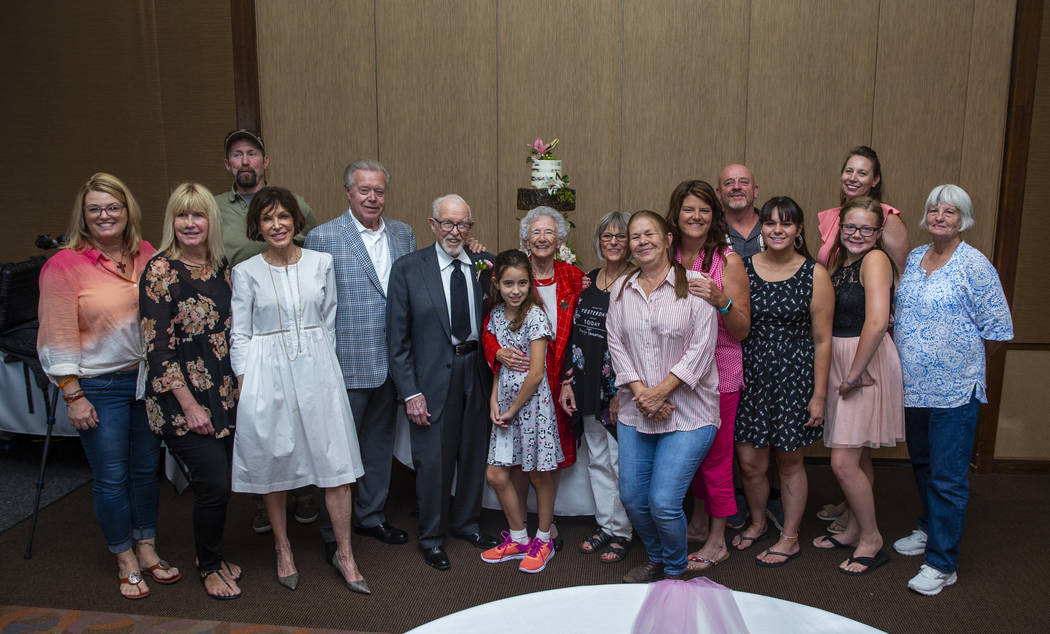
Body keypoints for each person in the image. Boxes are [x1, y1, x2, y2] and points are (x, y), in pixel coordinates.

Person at [37, 172, 177, 599]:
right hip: (98, 387)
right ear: (83, 214)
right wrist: (72, 394)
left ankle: (147, 547)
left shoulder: (147, 254)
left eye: (113, 207)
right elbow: (55, 334)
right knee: (112, 476)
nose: (104, 215)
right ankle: (125, 557)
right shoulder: (63, 265)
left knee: (144, 471)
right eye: (95, 208)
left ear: (127, 211)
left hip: (145, 382)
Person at [230, 187, 369, 594]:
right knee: (276, 461)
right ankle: (282, 546)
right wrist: (245, 383)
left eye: (283, 217)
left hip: (318, 368)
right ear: (257, 226)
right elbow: (240, 333)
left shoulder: (321, 262)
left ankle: (345, 553)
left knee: (335, 462)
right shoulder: (246, 272)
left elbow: (328, 320)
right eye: (267, 218)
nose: (276, 225)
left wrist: (323, 367)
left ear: (296, 220)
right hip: (265, 372)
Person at [892, 184, 1012, 596]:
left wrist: (961, 362)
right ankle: (928, 529)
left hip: (956, 391)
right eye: (934, 210)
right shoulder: (912, 257)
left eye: (950, 211)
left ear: (964, 218)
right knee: (923, 466)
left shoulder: (974, 264)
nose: (940, 216)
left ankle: (943, 564)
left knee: (947, 477)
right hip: (914, 388)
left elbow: (997, 332)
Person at [304, 160, 415, 553]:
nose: (372, 198)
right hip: (344, 361)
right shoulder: (323, 237)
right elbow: (313, 306)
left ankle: (371, 516)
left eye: (379, 191)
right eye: (364, 190)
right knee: (336, 450)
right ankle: (334, 531)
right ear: (348, 192)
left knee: (378, 444)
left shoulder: (404, 234)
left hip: (391, 362)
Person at [214, 128, 319, 533]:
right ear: (228, 165)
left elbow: (312, 243)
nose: (245, 161)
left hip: (290, 318)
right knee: (261, 417)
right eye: (237, 155)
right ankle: (264, 497)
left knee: (297, 411)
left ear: (264, 161)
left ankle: (304, 492)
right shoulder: (216, 208)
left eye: (252, 154)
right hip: (246, 320)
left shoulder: (293, 202)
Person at [140, 183, 242, 599]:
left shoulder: (221, 267)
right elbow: (157, 349)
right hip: (180, 401)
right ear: (172, 222)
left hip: (221, 395)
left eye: (197, 215)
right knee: (213, 484)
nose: (189, 223)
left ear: (210, 220)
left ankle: (209, 555)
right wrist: (190, 406)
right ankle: (211, 567)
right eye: (181, 216)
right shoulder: (160, 271)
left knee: (221, 483)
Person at [607, 210, 721, 583]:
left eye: (649, 234)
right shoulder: (622, 288)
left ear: (668, 238)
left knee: (664, 502)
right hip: (637, 409)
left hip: (689, 412)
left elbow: (702, 349)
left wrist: (661, 393)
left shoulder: (697, 284)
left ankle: (674, 570)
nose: (641, 241)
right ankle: (657, 557)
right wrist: (644, 395)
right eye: (634, 236)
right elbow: (615, 343)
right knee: (634, 500)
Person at [386, 194, 498, 571]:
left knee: (472, 452)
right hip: (431, 377)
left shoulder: (486, 266)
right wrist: (410, 392)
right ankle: (432, 537)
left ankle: (466, 522)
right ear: (432, 225)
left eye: (462, 224)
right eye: (447, 223)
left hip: (477, 372)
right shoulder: (408, 269)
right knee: (433, 460)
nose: (454, 231)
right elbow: (396, 340)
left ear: (471, 228)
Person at [732, 197, 834, 568]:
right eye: (771, 223)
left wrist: (819, 396)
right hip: (751, 376)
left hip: (795, 379)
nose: (777, 230)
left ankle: (789, 537)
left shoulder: (814, 274)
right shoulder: (741, 268)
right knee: (750, 463)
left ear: (799, 230)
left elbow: (823, 340)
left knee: (790, 461)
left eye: (786, 224)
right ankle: (758, 522)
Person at [811, 196, 904, 576]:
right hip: (843, 359)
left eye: (867, 228)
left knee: (843, 462)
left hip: (863, 362)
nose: (857, 234)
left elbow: (878, 321)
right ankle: (853, 528)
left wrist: (854, 372)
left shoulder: (876, 260)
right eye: (851, 227)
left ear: (879, 232)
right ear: (840, 227)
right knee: (859, 454)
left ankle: (872, 539)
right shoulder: (841, 262)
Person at [483, 206, 583, 548]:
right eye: (535, 232)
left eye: (549, 232)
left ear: (559, 239)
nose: (542, 238)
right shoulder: (511, 279)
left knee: (543, 458)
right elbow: (490, 331)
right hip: (517, 384)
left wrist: (572, 376)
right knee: (517, 460)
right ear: (525, 237)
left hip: (552, 380)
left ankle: (543, 528)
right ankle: (522, 530)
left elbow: (581, 330)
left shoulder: (572, 276)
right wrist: (496, 352)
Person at [663, 181, 751, 571]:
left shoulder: (727, 261)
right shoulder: (667, 256)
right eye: (688, 210)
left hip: (718, 371)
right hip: (676, 372)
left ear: (713, 216)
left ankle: (718, 539)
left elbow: (743, 328)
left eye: (703, 210)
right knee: (690, 456)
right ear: (676, 215)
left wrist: (721, 300)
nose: (696, 217)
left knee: (716, 458)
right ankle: (698, 522)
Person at [558, 211, 634, 564]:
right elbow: (575, 335)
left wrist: (623, 391)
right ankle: (607, 524)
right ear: (599, 241)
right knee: (598, 461)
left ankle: (625, 531)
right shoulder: (588, 280)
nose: (614, 242)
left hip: (622, 388)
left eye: (621, 236)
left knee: (621, 463)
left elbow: (638, 343)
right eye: (608, 236)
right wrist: (569, 381)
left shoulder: (637, 282)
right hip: (588, 386)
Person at [480, 250, 562, 574]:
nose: (516, 290)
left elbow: (537, 373)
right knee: (496, 474)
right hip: (506, 406)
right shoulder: (496, 316)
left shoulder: (536, 316)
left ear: (530, 284)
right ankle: (518, 538)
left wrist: (513, 409)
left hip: (532, 406)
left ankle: (544, 540)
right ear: (497, 285)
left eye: (522, 283)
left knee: (539, 475)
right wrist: (493, 401)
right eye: (509, 284)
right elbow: (499, 367)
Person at [817, 146, 909, 271]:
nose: (853, 178)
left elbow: (900, 273)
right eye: (849, 171)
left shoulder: (888, 218)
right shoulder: (831, 217)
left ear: (875, 180)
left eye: (862, 173)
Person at [717, 164, 763, 258]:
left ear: (755, 191)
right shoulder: (709, 229)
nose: (736, 187)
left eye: (744, 182)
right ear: (719, 194)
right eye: (729, 183)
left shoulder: (775, 226)